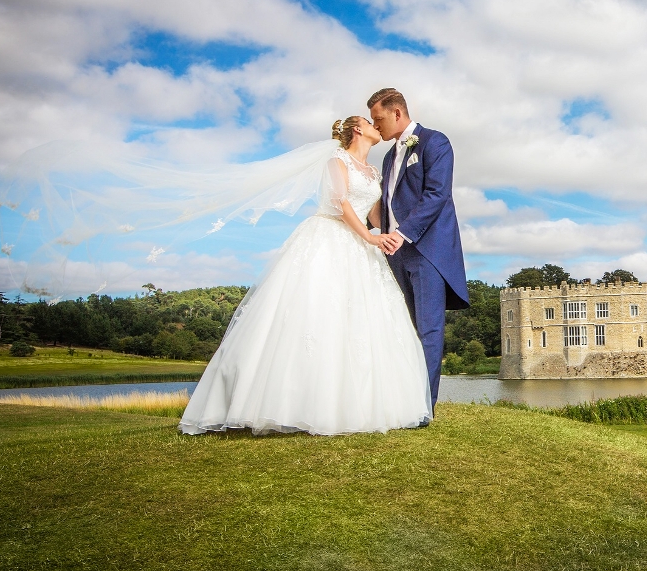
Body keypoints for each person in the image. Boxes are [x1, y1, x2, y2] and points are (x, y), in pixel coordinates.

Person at [178, 116, 432, 435]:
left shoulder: (373, 171)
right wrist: (369, 237)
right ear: (357, 130)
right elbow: (340, 203)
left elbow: (373, 212)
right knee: (312, 312)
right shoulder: (336, 161)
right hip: (328, 238)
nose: (376, 127)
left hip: (361, 248)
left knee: (362, 321)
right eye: (370, 123)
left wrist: (389, 236)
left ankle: (356, 407)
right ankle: (286, 405)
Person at [367, 88, 469, 409]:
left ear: (397, 113)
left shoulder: (434, 142)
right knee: (404, 328)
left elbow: (437, 195)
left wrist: (404, 233)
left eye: (378, 118)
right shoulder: (387, 156)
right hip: (394, 254)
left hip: (427, 250)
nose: (376, 125)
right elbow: (387, 204)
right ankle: (403, 399)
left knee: (428, 329)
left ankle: (424, 407)